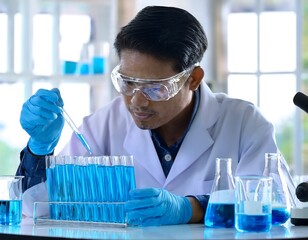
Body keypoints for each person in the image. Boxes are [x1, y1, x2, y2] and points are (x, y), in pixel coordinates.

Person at [17, 5, 295, 226]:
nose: (137, 100)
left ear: (194, 79)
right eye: (127, 82)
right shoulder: (105, 123)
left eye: (155, 87)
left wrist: (192, 208)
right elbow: (39, 206)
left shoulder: (244, 122)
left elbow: (276, 204)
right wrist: (39, 150)